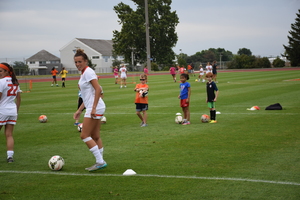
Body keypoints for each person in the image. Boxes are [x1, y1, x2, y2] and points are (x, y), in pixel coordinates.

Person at [73, 49, 107, 172]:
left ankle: (100, 162)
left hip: (95, 107)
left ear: (86, 61)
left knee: (84, 135)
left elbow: (98, 89)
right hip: (94, 106)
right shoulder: (83, 73)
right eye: (76, 62)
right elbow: (86, 96)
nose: (77, 64)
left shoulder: (88, 72)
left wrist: (92, 108)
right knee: (95, 136)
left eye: (80, 62)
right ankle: (100, 161)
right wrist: (79, 110)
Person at [0, 63, 21, 163]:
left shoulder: (1, 81)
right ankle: (10, 157)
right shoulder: (15, 81)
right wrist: (16, 111)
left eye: (0, 71)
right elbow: (19, 99)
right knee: (9, 135)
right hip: (12, 110)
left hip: (2, 110)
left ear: (6, 71)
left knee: (8, 134)